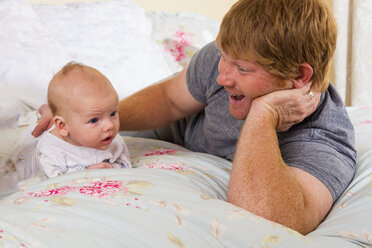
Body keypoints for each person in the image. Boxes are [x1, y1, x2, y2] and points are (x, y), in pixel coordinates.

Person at [33, 0, 356, 234]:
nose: (223, 77)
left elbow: (266, 220)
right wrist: (89, 120)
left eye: (242, 68)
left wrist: (263, 114)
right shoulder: (223, 60)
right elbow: (169, 100)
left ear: (299, 77)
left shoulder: (325, 141)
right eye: (224, 58)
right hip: (160, 135)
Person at [33, 62, 131, 179]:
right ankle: (42, 112)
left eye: (113, 113)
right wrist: (85, 174)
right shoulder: (50, 150)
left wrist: (113, 168)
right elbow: (53, 183)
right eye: (94, 120)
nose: (110, 125)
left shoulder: (110, 138)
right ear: (63, 126)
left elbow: (125, 164)